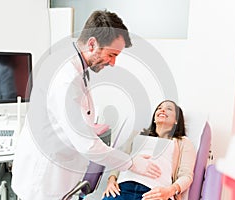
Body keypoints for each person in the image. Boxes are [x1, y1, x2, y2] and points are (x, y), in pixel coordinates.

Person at [11, 10, 161, 200]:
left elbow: (64, 116)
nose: (113, 63)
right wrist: (131, 163)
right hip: (44, 179)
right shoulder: (65, 77)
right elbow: (87, 146)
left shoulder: (74, 66)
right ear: (92, 44)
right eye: (111, 54)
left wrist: (87, 126)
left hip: (56, 173)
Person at [102, 100, 197, 200]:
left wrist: (170, 191)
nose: (162, 110)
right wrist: (111, 180)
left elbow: (186, 176)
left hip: (156, 193)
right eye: (159, 108)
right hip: (122, 188)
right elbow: (120, 159)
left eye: (168, 109)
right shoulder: (136, 135)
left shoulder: (182, 142)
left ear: (176, 120)